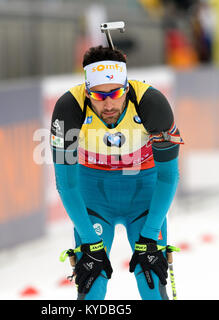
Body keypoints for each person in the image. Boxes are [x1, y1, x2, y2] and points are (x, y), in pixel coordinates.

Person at [50, 45, 183, 300]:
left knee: (151, 281)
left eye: (116, 93)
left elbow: (168, 176)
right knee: (92, 286)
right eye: (99, 97)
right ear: (87, 92)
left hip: (143, 194)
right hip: (95, 196)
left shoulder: (152, 103)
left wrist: (151, 233)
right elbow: (66, 184)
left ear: (127, 87)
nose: (109, 104)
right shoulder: (69, 107)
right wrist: (89, 241)